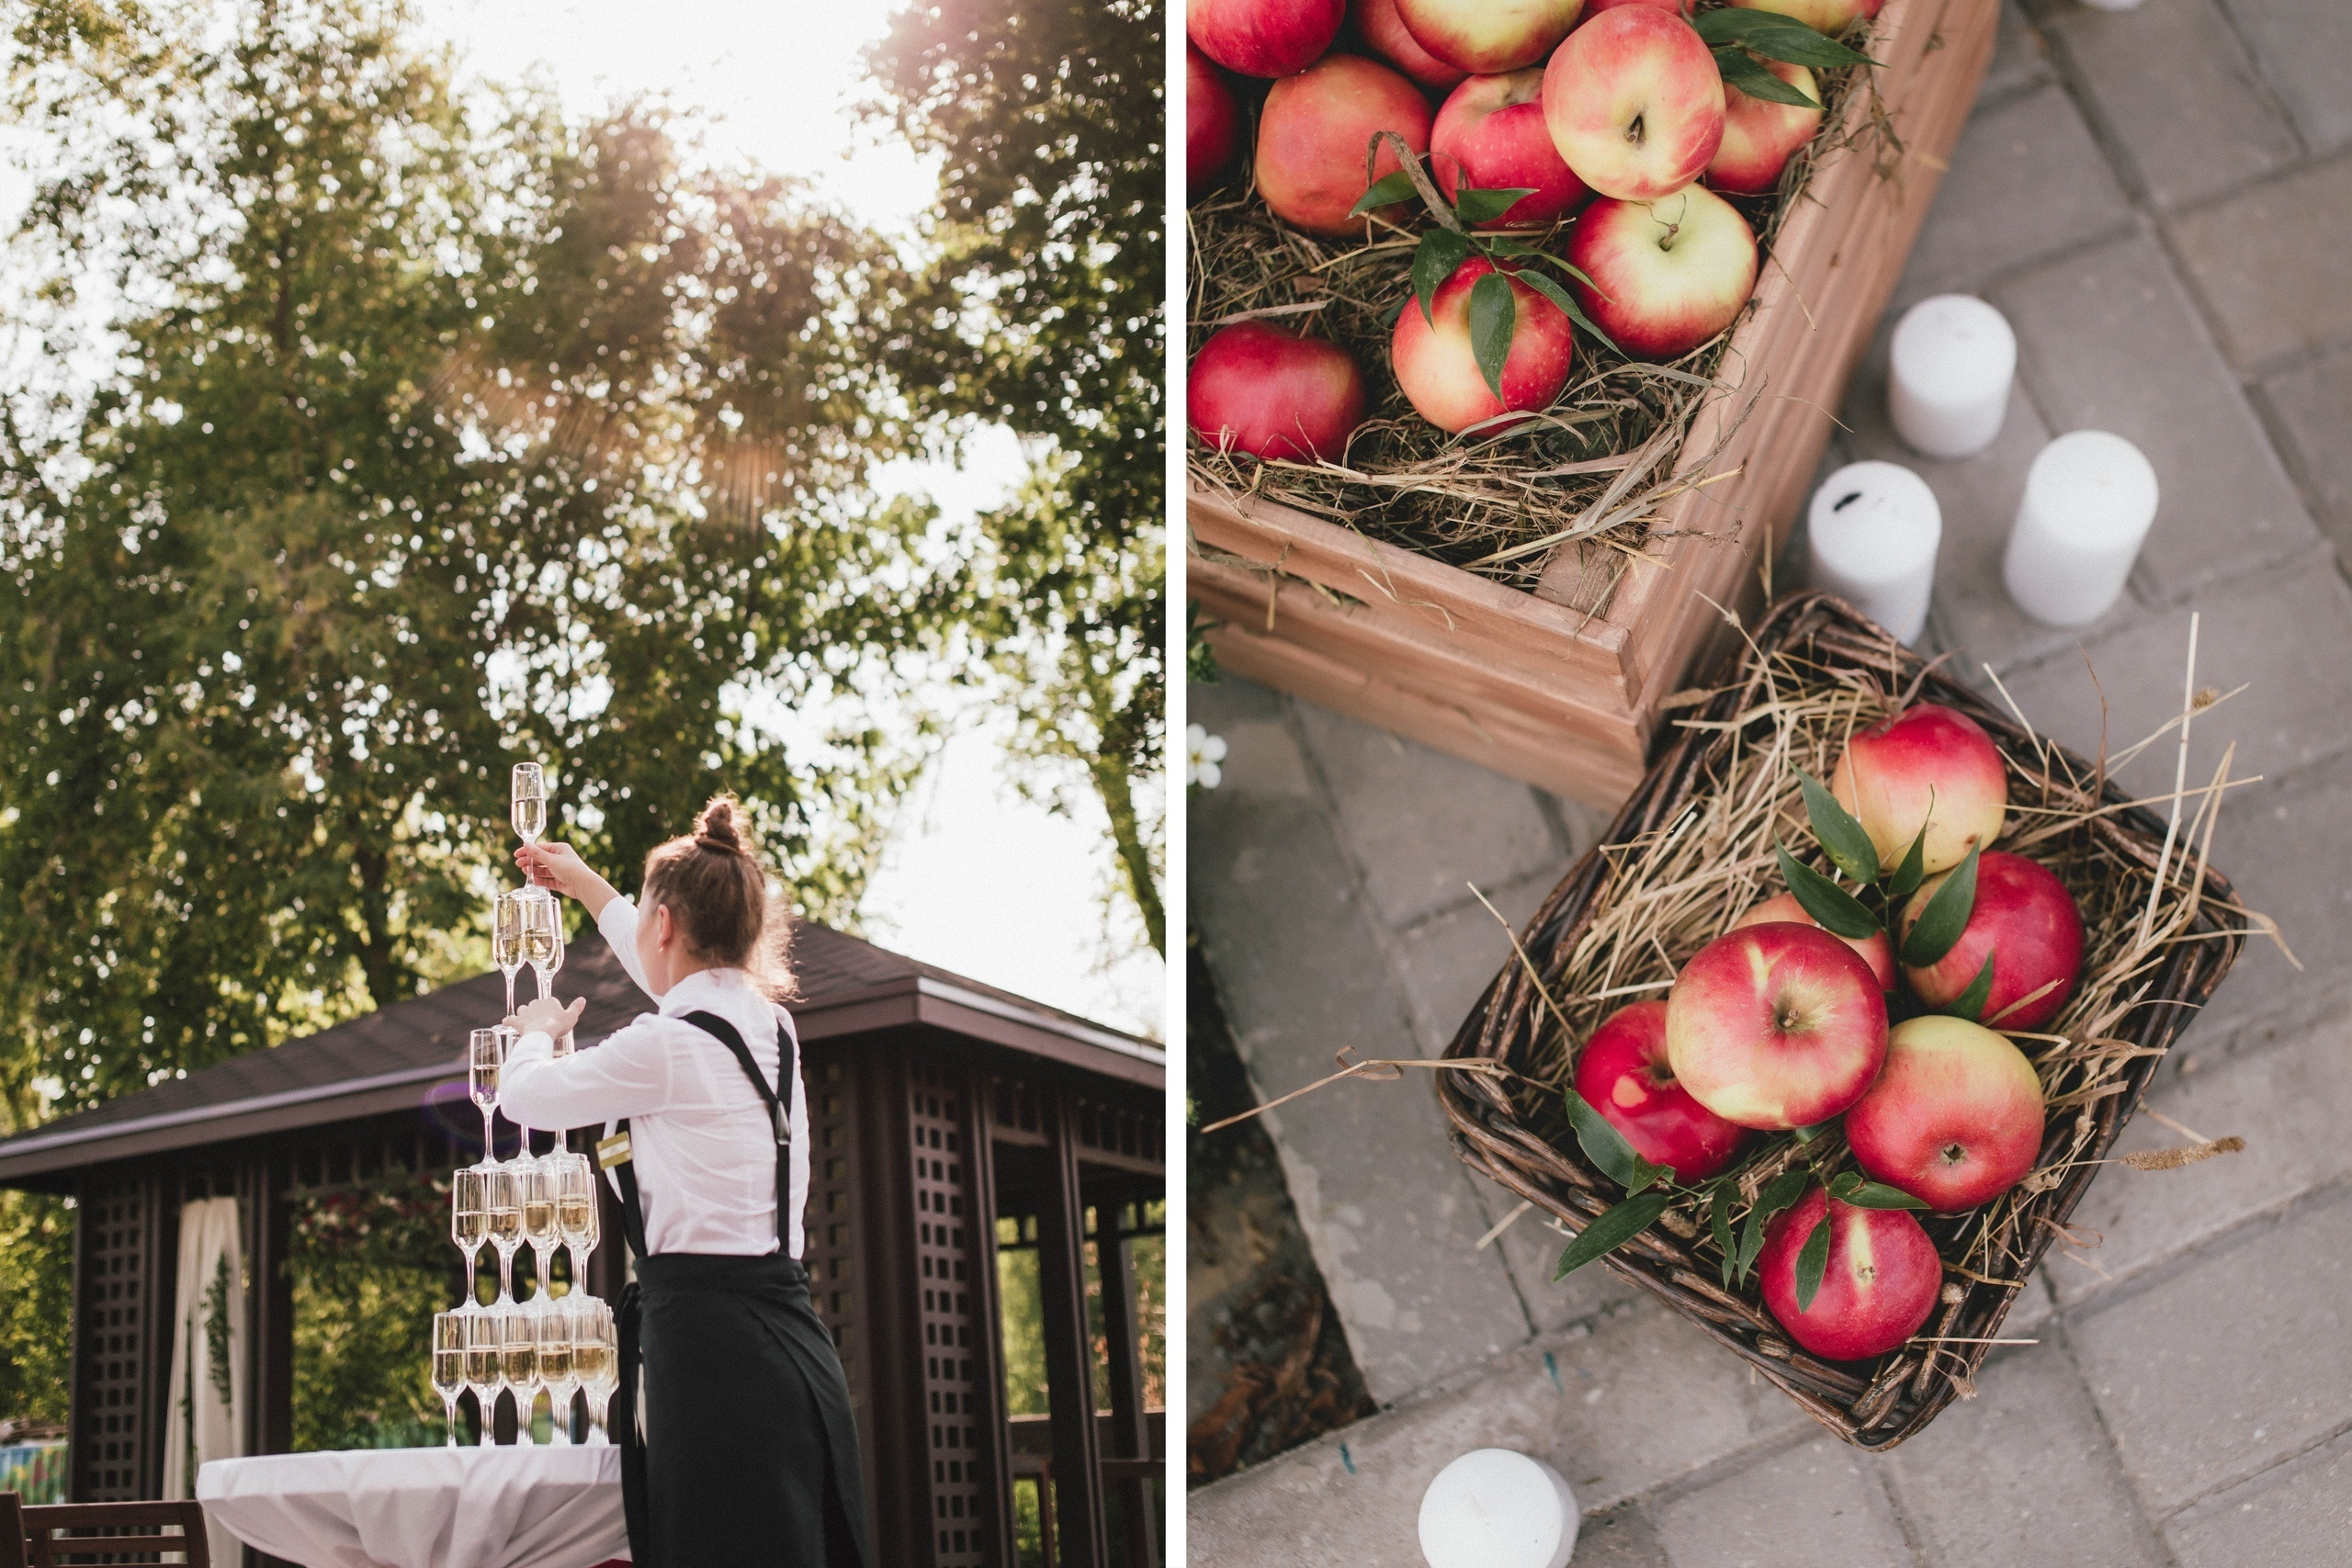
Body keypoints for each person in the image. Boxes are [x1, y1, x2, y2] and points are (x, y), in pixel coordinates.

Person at [500, 794, 868, 1568]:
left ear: (664, 922)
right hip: (794, 1347)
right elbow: (681, 981)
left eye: (645, 917)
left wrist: (533, 1038)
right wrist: (594, 890)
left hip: (713, 1363)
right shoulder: (774, 1028)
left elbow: (525, 1097)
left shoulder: (663, 1047)